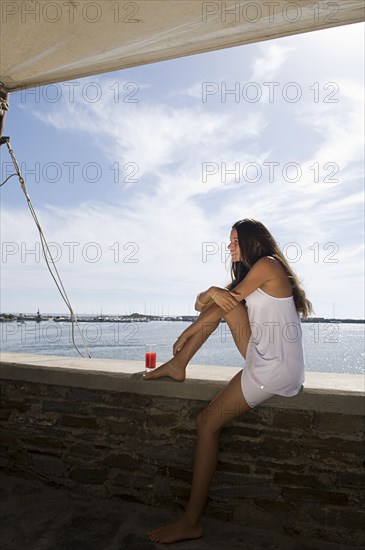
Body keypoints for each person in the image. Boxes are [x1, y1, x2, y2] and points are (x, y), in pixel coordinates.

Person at [143, 218, 313, 544]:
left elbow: (221, 305)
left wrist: (189, 330)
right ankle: (179, 364)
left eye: (235, 241)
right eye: (229, 240)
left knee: (206, 424)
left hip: (276, 368)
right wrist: (209, 292)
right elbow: (204, 303)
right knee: (222, 300)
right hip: (260, 354)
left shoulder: (267, 265)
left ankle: (191, 521)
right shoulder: (248, 277)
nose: (229, 246)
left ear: (252, 242)